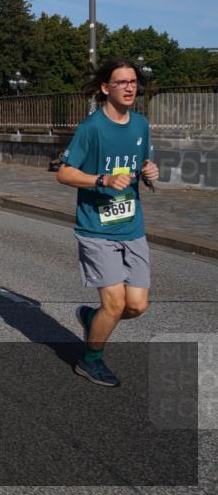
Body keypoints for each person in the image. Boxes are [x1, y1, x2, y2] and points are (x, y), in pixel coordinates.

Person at [56, 58, 159, 388]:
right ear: (105, 88)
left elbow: (142, 165)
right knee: (114, 304)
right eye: (122, 82)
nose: (130, 87)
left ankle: (92, 317)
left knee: (136, 306)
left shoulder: (140, 124)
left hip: (132, 227)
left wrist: (150, 171)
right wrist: (102, 179)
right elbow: (64, 173)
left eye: (133, 82)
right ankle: (90, 360)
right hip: (96, 229)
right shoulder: (92, 127)